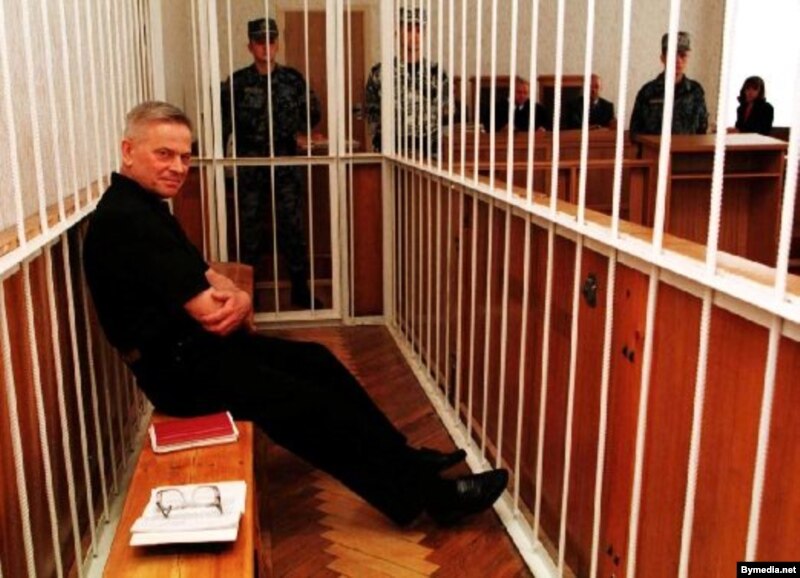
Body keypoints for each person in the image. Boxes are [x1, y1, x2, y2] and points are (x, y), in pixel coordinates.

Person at [83, 101, 508, 527]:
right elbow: (215, 313)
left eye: (185, 156)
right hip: (179, 375)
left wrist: (236, 296)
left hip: (196, 353)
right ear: (128, 151)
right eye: (164, 154)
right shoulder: (128, 219)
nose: (178, 167)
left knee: (316, 361)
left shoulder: (144, 206)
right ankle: (429, 497)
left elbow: (209, 275)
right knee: (305, 404)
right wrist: (241, 300)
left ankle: (406, 458)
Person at [220, 17, 321, 308]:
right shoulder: (237, 83)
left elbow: (313, 113)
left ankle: (300, 292)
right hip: (251, 166)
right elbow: (223, 125)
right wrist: (224, 167)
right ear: (250, 46)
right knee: (250, 233)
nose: (266, 47)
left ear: (277, 44)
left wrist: (298, 133)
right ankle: (247, 298)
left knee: (293, 229)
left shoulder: (292, 79)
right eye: (260, 42)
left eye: (271, 41)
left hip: (286, 164)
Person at [364, 8, 449, 156]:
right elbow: (371, 115)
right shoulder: (380, 73)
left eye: (419, 30)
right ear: (397, 32)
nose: (414, 36)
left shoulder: (436, 73)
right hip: (390, 152)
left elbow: (447, 114)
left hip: (428, 153)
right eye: (409, 29)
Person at [629, 31, 708, 141]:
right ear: (662, 58)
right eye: (673, 55)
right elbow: (635, 133)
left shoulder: (695, 91)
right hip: (654, 150)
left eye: (683, 55)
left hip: (687, 150)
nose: (678, 60)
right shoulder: (648, 92)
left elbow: (702, 130)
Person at [480, 78, 551, 133]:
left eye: (525, 93)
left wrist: (543, 129)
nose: (522, 95)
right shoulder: (498, 107)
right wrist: (501, 130)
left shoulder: (538, 109)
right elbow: (487, 127)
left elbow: (548, 126)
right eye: (519, 92)